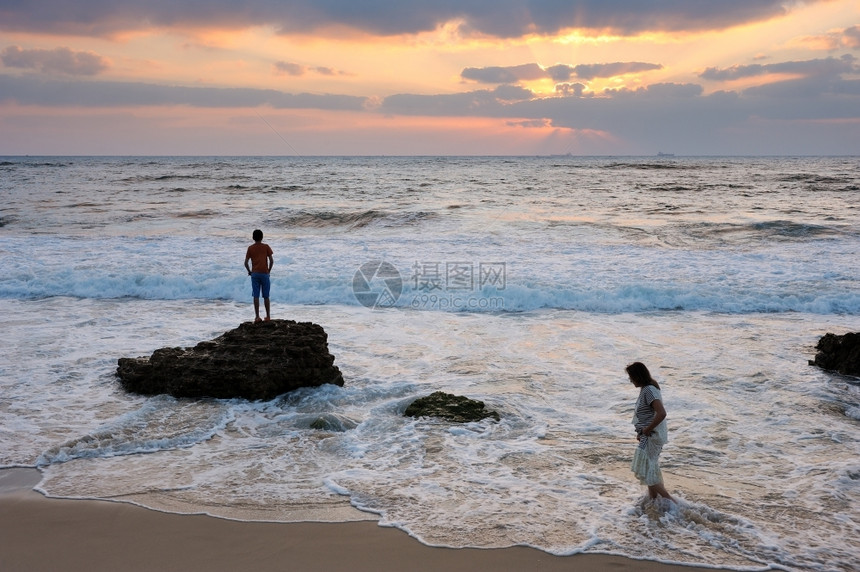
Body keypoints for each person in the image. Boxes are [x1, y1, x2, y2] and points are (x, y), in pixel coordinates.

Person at [626, 361, 675, 502]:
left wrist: (646, 430)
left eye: (631, 377)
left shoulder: (649, 390)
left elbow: (661, 413)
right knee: (649, 469)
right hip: (649, 435)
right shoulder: (647, 388)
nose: (630, 380)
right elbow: (648, 415)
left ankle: (671, 502)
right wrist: (641, 432)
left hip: (652, 436)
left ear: (638, 376)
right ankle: (654, 501)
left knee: (646, 470)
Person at [244, 229, 274, 323]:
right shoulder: (266, 247)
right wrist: (268, 271)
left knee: (256, 296)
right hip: (265, 273)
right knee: (266, 296)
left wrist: (249, 271)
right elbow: (271, 261)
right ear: (262, 237)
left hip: (255, 274)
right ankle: (268, 316)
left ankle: (257, 317)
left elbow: (245, 263)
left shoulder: (250, 248)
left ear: (253, 238)